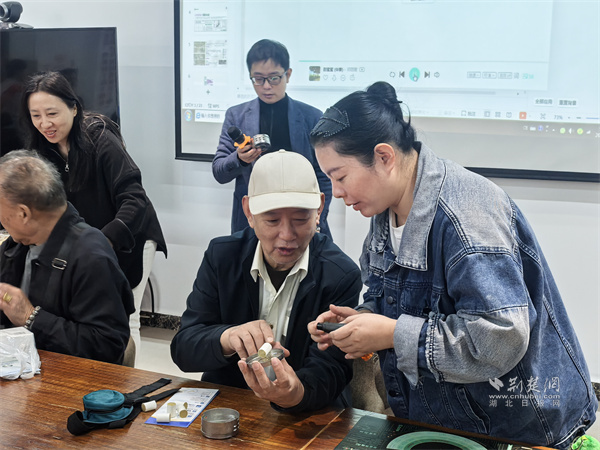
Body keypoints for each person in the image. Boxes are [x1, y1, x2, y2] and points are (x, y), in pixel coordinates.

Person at [307, 82, 597, 448]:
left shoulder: (466, 216)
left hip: (513, 425)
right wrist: (359, 321)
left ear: (383, 157)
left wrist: (392, 333)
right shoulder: (385, 208)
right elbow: (387, 298)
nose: (336, 192)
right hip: (445, 418)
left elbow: (500, 337)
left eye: (340, 176)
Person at [172, 150, 361, 412]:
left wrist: (295, 392)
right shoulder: (222, 257)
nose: (287, 235)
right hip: (232, 403)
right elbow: (183, 349)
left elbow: (332, 368)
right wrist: (228, 337)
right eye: (272, 220)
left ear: (319, 209)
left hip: (306, 411)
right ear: (248, 211)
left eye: (300, 219)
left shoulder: (340, 274)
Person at [19, 71, 167, 365]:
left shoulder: (99, 137)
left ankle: (126, 382)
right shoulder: (40, 152)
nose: (45, 124)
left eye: (52, 113)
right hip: (87, 246)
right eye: (36, 116)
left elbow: (134, 198)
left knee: (125, 317)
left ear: (73, 108)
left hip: (129, 235)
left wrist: (102, 242)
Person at [0, 151, 133, 364]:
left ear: (23, 214)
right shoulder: (16, 245)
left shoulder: (91, 257)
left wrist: (30, 317)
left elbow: (107, 347)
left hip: (69, 376)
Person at [212, 39, 333, 239]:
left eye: (274, 78)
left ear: (288, 75)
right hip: (253, 222)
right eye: (258, 79)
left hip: (302, 218)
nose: (266, 86)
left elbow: (324, 176)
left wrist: (318, 216)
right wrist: (240, 159)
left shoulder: (311, 117)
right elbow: (219, 172)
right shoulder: (237, 116)